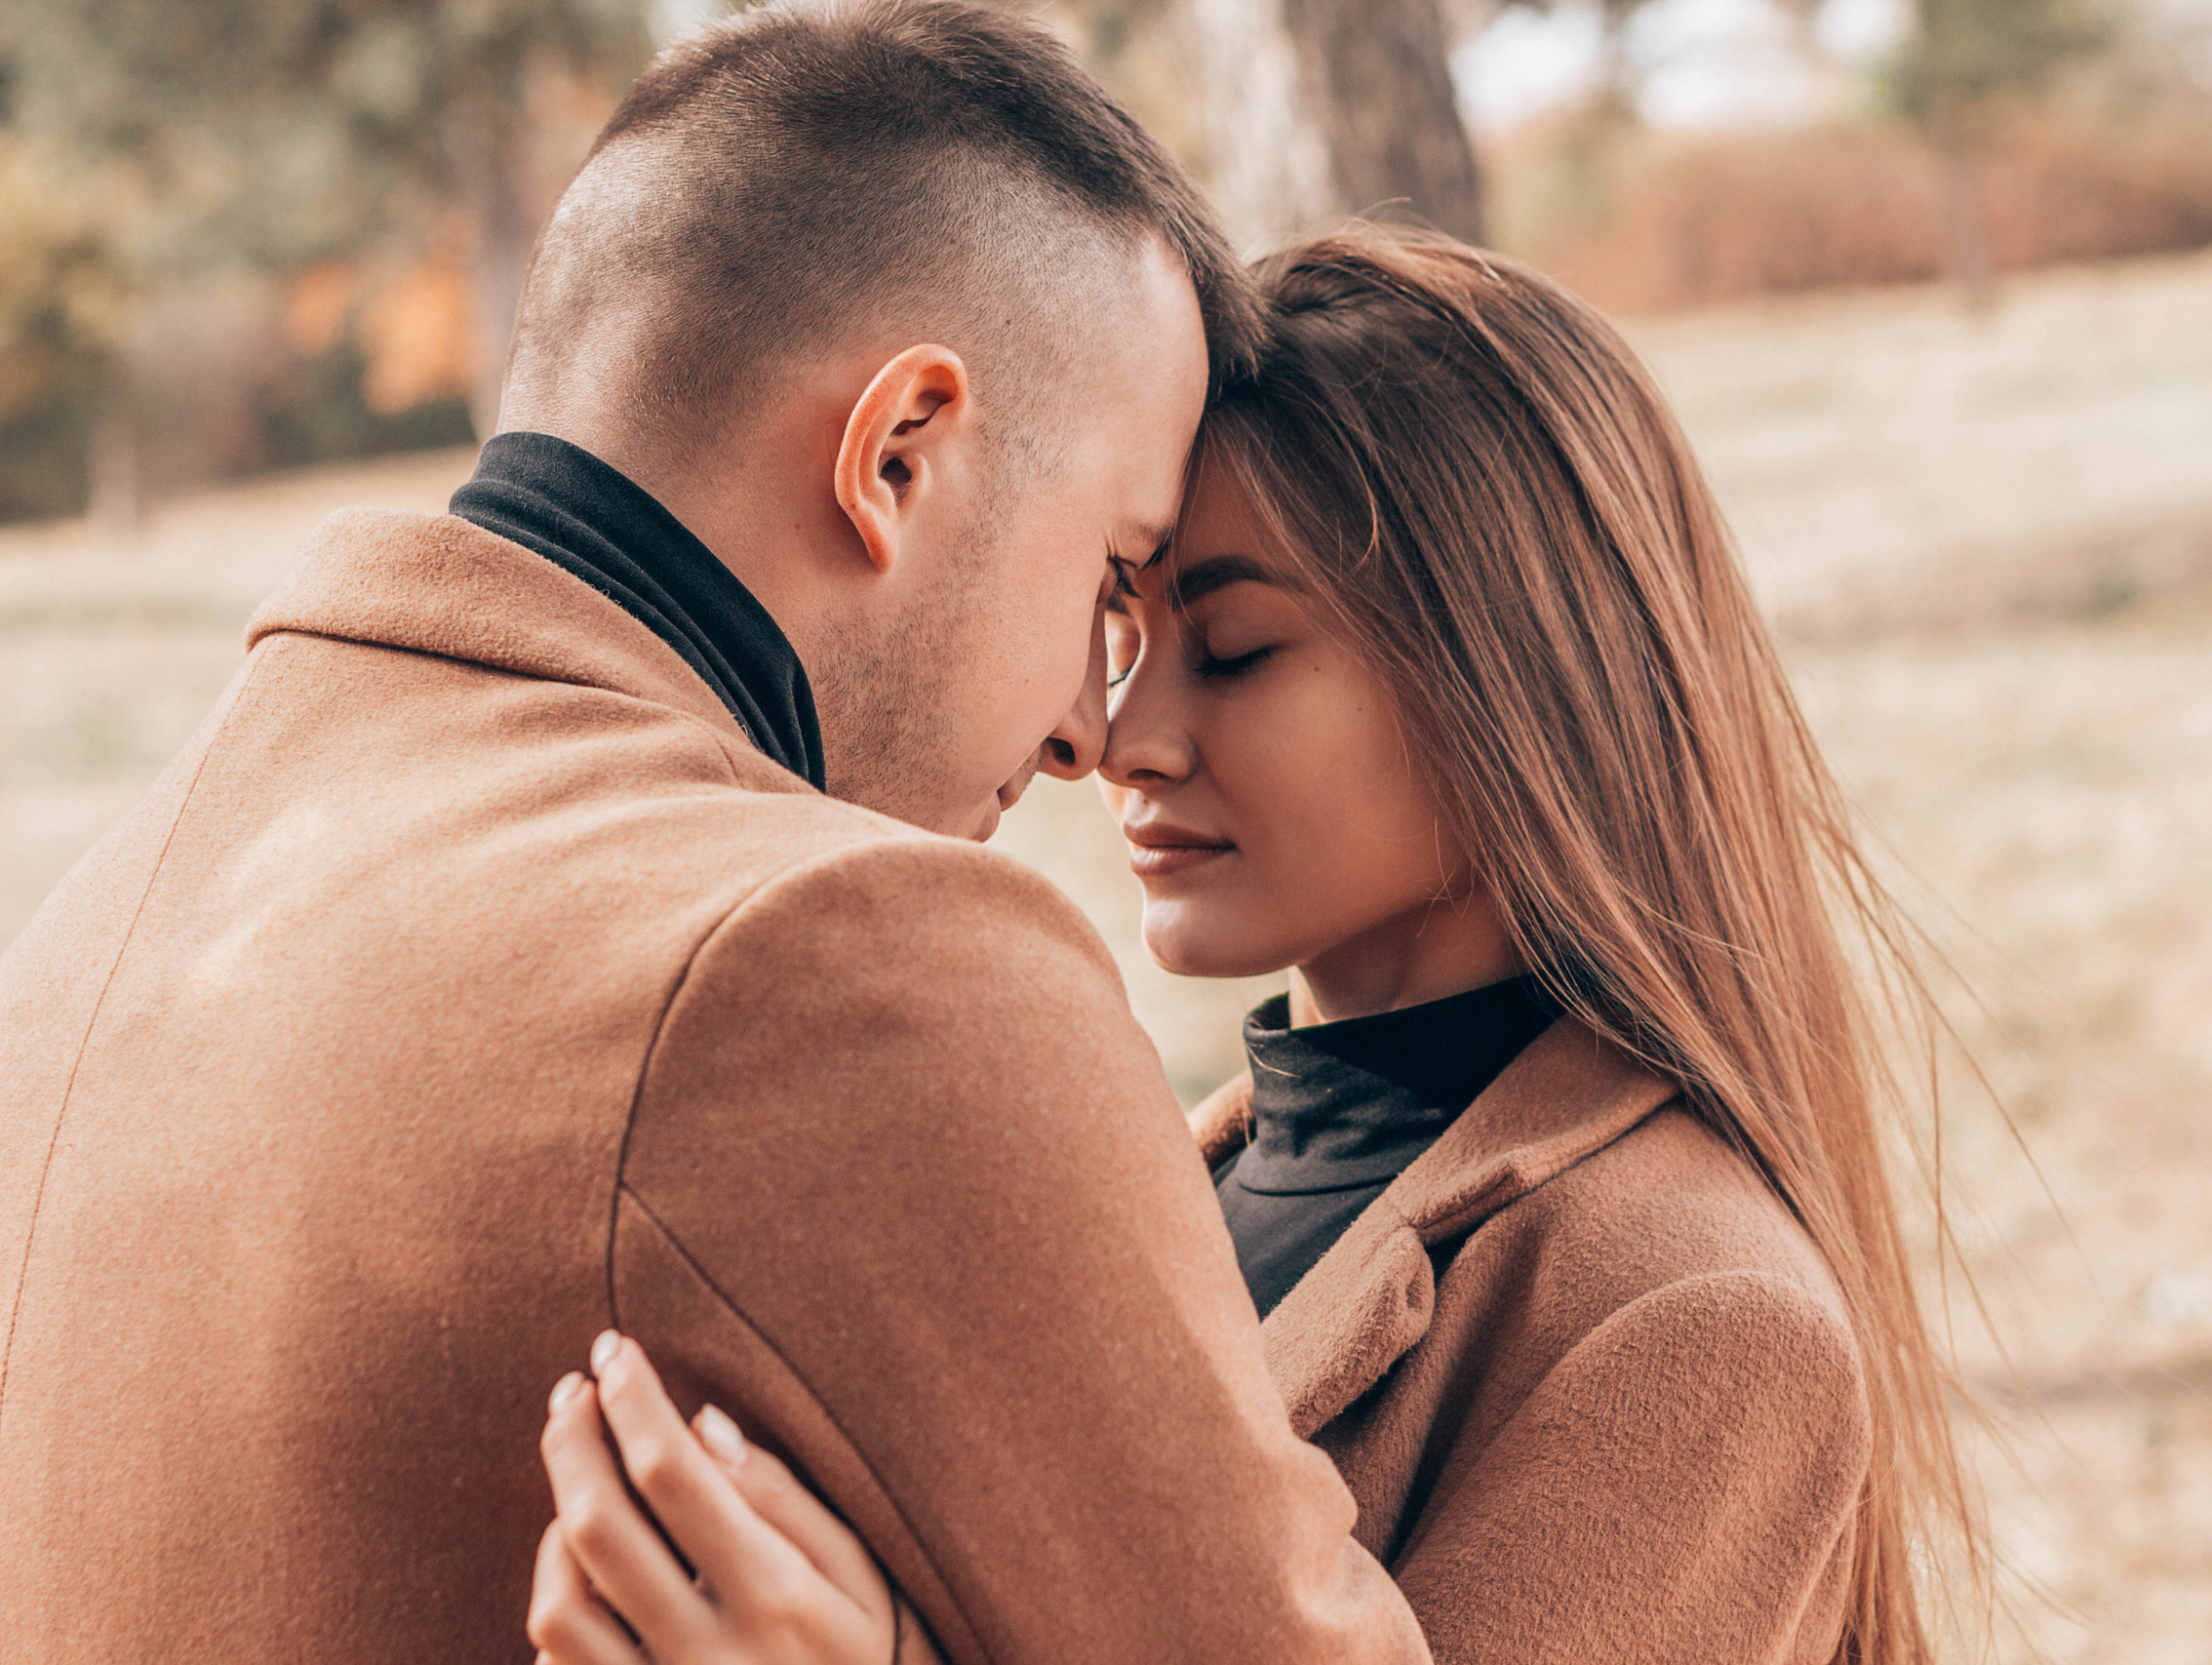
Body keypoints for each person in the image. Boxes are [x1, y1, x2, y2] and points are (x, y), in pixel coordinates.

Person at [0, 7, 1439, 1662]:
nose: (1084, 731)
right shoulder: (845, 965)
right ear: (899, 454)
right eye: (1112, 572)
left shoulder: (88, 934)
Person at [524, 230, 1984, 1664]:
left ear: (1513, 683)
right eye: (1121, 632)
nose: (1124, 739)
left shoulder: (1694, 1309)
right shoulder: (1166, 1178)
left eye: (1233, 651)